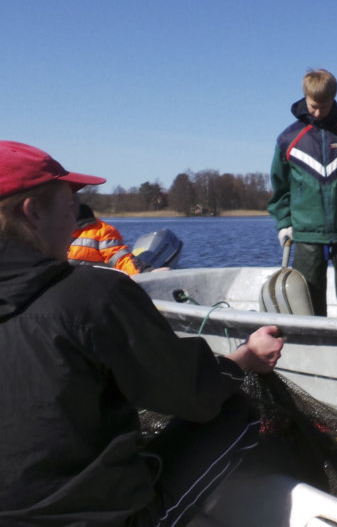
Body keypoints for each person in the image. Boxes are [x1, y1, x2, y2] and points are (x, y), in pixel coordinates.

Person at [0, 140, 284, 526]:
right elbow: (194, 395)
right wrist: (246, 359)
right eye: (70, 208)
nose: (75, 222)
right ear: (32, 212)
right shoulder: (92, 295)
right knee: (233, 410)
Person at [269, 68, 337, 317]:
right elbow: (280, 186)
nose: (317, 111)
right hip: (306, 233)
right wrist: (284, 223)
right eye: (313, 106)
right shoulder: (289, 138)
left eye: (323, 106)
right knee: (307, 304)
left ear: (334, 98)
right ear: (305, 97)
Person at [68, 202, 146, 274]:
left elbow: (121, 259)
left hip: (92, 284)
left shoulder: (103, 231)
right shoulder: (57, 231)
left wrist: (145, 272)